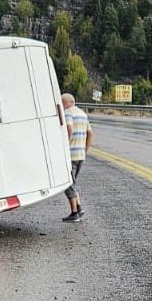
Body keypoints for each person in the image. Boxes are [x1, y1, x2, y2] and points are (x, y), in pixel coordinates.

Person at [62, 92, 92, 223]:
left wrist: (65, 143)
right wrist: (85, 150)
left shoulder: (68, 113)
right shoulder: (83, 114)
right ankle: (79, 208)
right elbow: (90, 133)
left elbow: (69, 127)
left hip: (71, 155)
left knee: (67, 184)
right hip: (80, 155)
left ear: (66, 103)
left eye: (61, 103)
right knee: (72, 182)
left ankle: (74, 213)